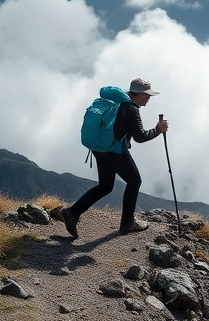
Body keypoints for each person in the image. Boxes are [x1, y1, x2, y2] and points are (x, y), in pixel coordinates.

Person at [61, 77, 169, 238]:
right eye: (146, 95)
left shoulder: (117, 102)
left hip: (100, 148)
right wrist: (158, 129)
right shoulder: (131, 108)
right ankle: (127, 223)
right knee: (134, 181)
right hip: (115, 152)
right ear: (136, 94)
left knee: (105, 186)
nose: (148, 98)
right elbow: (140, 137)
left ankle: (72, 212)